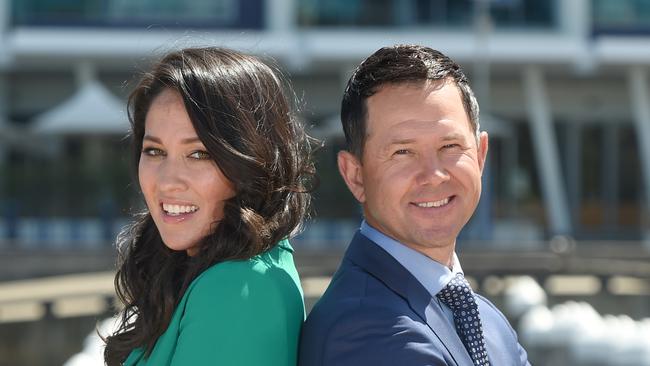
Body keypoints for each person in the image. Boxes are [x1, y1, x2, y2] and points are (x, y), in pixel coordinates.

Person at [299, 45, 530, 366]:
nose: (433, 175)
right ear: (356, 176)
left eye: (449, 146)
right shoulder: (367, 333)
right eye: (403, 152)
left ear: (479, 155)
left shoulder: (488, 321)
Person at [103, 47, 315, 366]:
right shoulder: (216, 269)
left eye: (199, 154)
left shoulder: (237, 288)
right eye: (155, 151)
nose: (167, 181)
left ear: (252, 162)